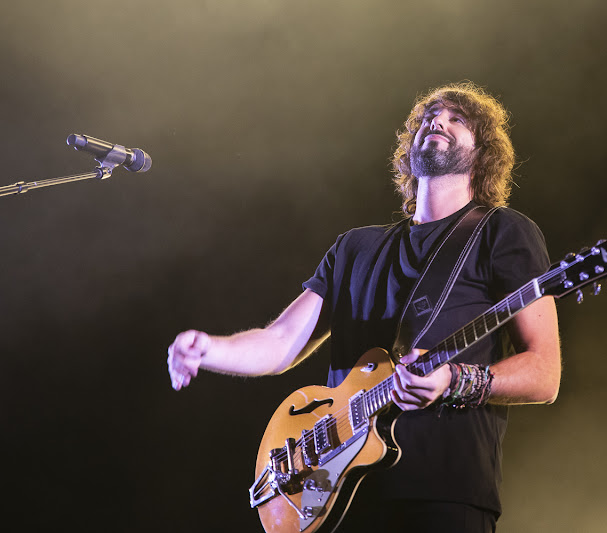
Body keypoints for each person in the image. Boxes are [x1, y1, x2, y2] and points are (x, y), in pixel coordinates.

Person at [167, 82, 561, 533]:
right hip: (335, 497)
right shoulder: (355, 247)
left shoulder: (503, 233)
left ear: (485, 152)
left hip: (441, 494)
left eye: (458, 119)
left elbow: (544, 372)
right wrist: (209, 350)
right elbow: (280, 341)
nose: (438, 122)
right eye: (431, 116)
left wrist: (453, 380)